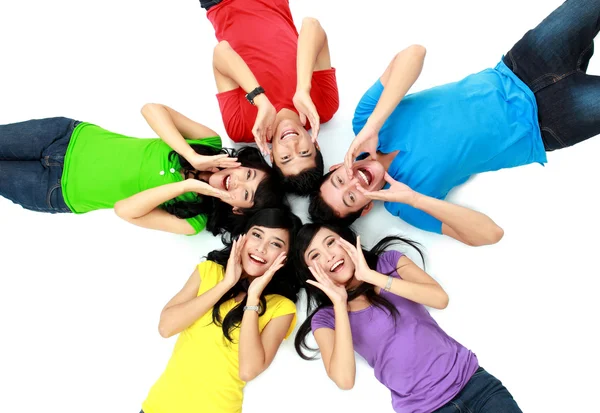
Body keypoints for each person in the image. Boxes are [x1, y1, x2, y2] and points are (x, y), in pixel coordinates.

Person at [310, 0, 600, 246]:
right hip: (550, 122)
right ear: (364, 209)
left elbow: (414, 53)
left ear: (337, 167)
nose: (354, 183)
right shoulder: (405, 205)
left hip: (522, 66)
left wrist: (374, 126)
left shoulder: (364, 120)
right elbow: (490, 235)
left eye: (339, 179)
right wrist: (414, 199)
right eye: (351, 198)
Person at [293, 223, 522, 413]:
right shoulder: (326, 319)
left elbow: (439, 299)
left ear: (347, 241)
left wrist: (372, 277)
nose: (329, 255)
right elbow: (344, 380)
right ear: (310, 272)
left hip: (476, 385)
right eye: (315, 255)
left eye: (331, 242)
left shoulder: (389, 263)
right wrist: (340, 304)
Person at [0, 103, 283, 235]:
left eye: (245, 195)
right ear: (242, 163)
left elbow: (124, 210)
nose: (238, 184)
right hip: (67, 137)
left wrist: (188, 186)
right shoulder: (208, 141)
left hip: (55, 190)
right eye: (248, 175)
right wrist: (191, 155)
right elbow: (151, 109)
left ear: (237, 210)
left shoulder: (192, 222)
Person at [141, 208, 301, 413]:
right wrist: (226, 284)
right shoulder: (209, 271)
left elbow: (248, 371)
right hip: (158, 407)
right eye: (257, 235)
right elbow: (166, 327)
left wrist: (253, 297)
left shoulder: (281, 308)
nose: (261, 248)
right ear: (242, 237)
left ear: (285, 258)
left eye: (275, 244)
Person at [204, 0, 340, 194]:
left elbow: (221, 51)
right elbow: (311, 25)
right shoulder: (324, 107)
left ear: (273, 158)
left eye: (286, 158)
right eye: (304, 152)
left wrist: (260, 100)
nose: (292, 144)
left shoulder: (242, 129)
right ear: (315, 144)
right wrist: (302, 89)